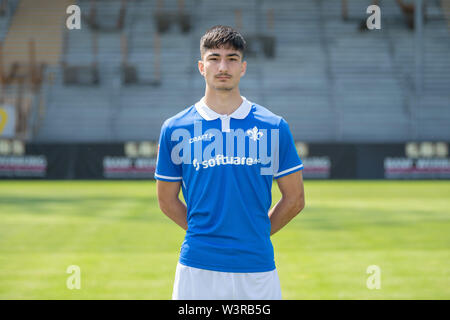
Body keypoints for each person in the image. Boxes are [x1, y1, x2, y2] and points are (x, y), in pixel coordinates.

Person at [154, 25, 305, 300]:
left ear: (243, 67)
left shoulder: (273, 126)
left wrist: (254, 234)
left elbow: (294, 199)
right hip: (197, 267)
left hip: (256, 267)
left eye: (232, 59)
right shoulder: (176, 128)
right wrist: (207, 234)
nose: (223, 66)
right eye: (214, 58)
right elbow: (166, 201)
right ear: (202, 66)